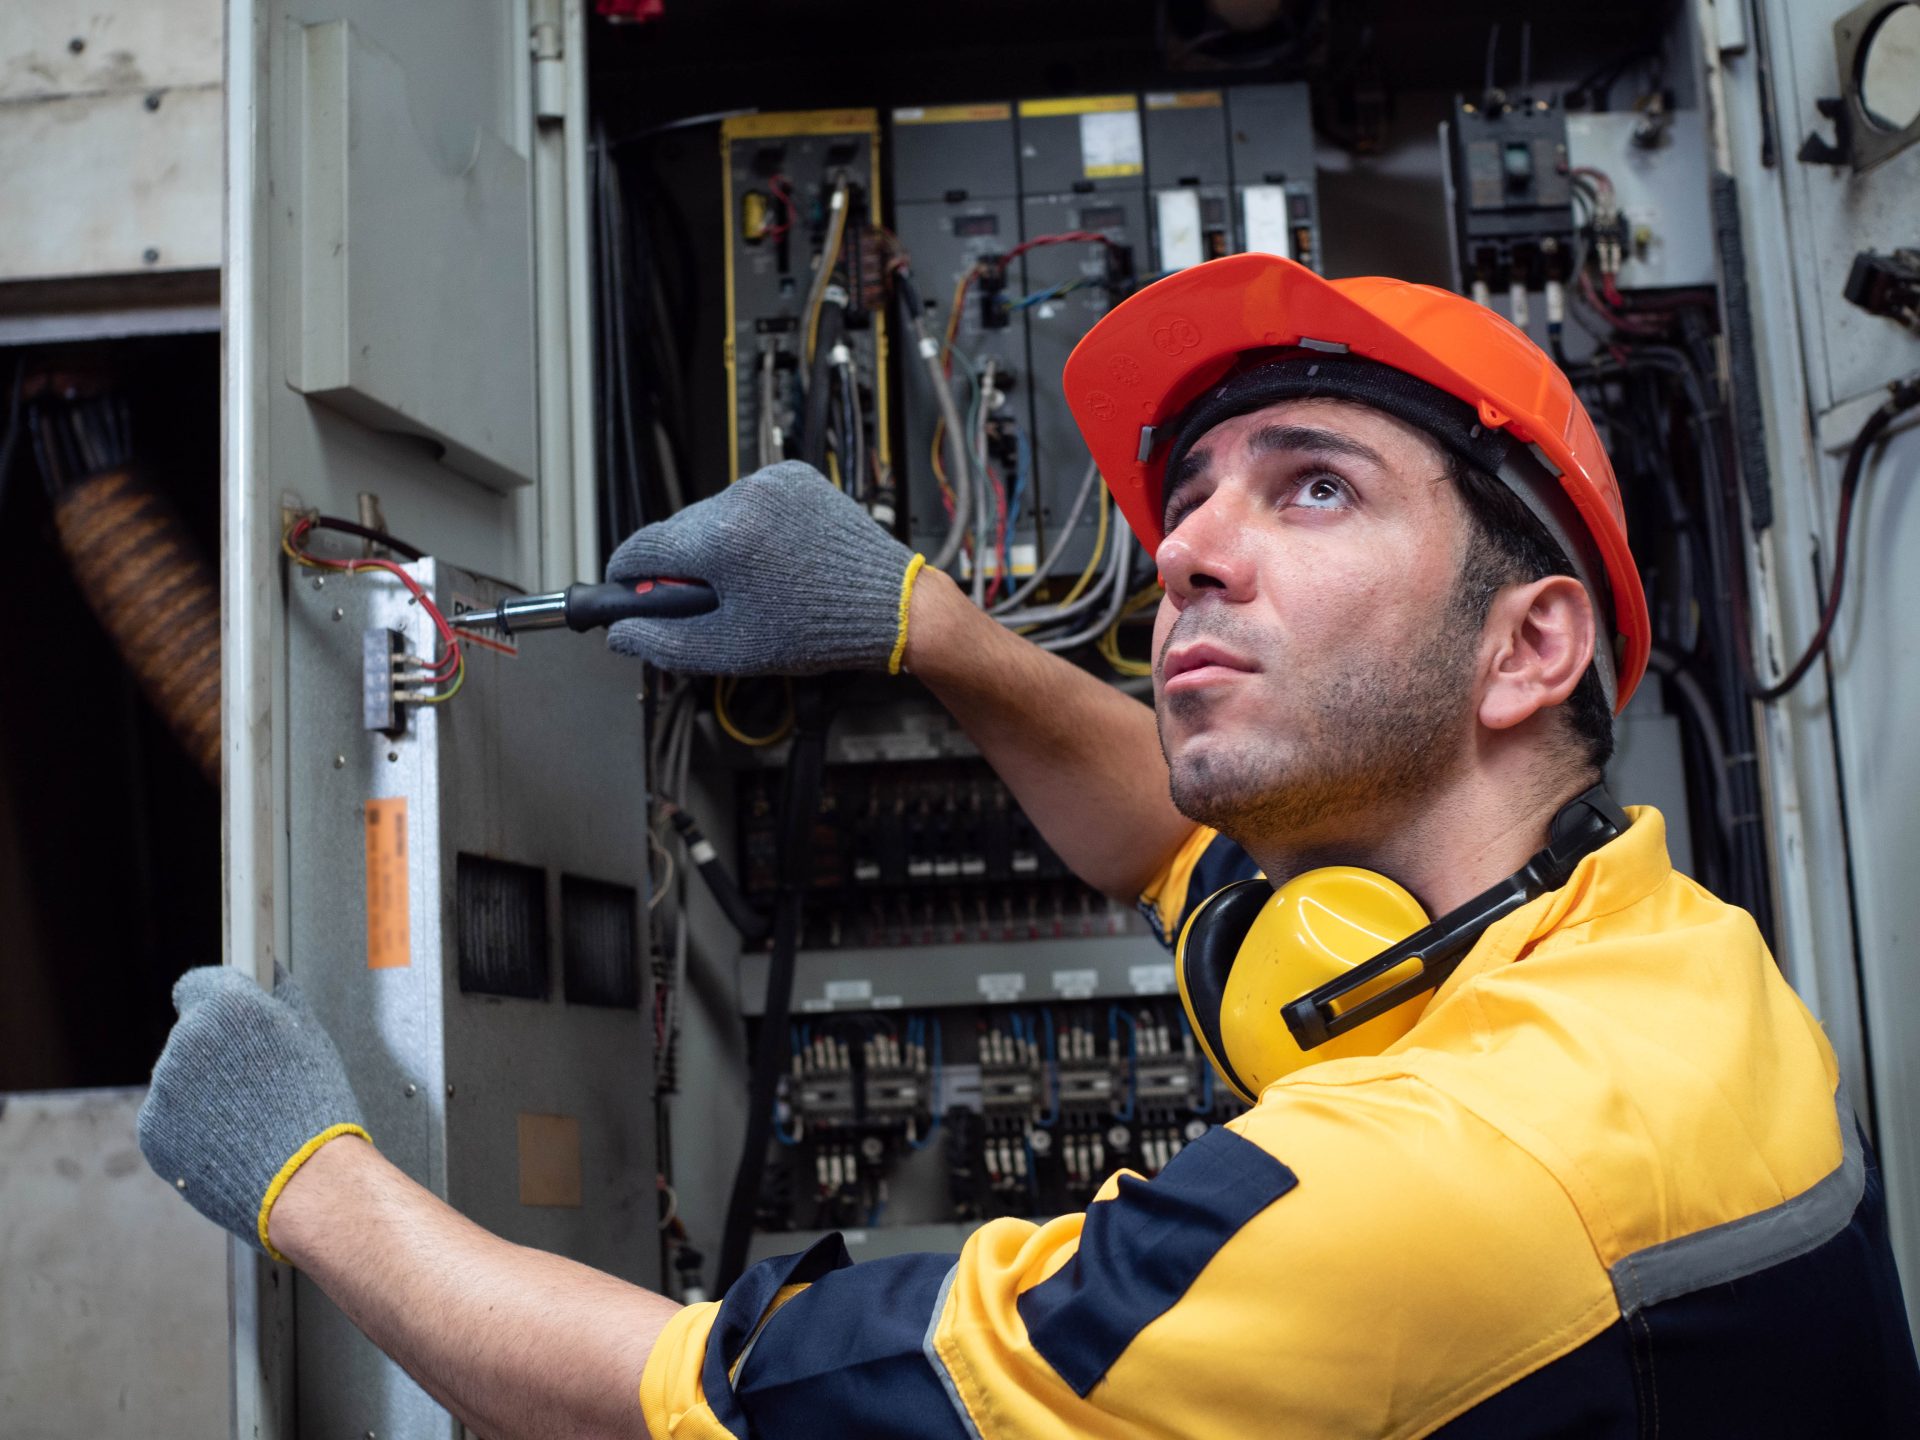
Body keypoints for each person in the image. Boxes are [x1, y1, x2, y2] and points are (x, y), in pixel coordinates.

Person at [139, 255, 1919, 1437]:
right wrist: (923, 625)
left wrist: (310, 1180)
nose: (1192, 551)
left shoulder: (1425, 1190)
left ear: (1532, 647)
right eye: (1194, 497)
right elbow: (1177, 853)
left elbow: (681, 1397)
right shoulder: (1628, 948)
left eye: (1312, 486)